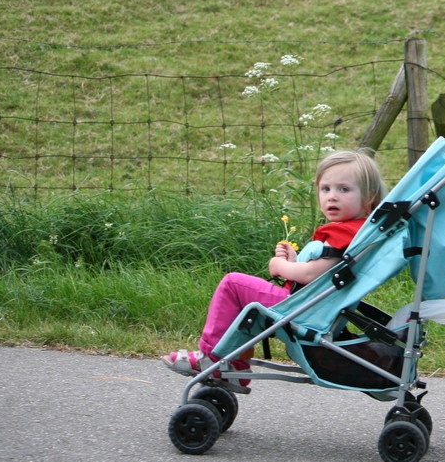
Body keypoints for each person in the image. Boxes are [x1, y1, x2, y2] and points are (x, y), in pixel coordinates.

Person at [162, 149, 387, 393]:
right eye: (325, 189)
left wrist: (280, 267)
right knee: (244, 301)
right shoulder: (359, 232)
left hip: (302, 308)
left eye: (344, 189)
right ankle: (233, 362)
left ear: (369, 197)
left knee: (233, 284)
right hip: (314, 306)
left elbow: (311, 275)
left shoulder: (344, 232)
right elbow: (324, 274)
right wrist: (295, 261)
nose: (332, 196)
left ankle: (212, 357)